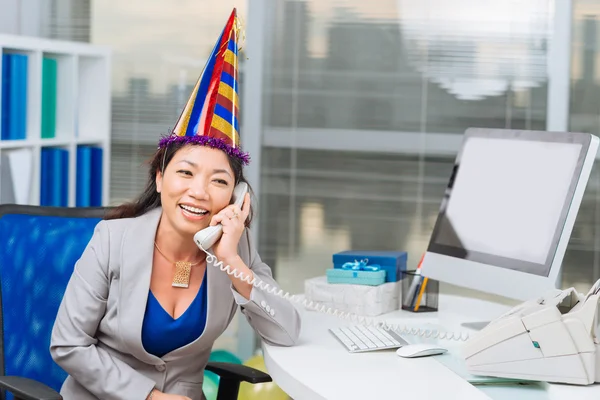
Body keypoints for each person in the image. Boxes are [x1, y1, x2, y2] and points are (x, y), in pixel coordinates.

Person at [49, 9, 301, 400]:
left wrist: (232, 262)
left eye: (219, 181)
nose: (199, 191)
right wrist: (149, 397)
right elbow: (68, 344)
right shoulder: (112, 239)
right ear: (159, 178)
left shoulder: (234, 250)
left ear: (237, 196)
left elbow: (287, 330)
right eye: (185, 173)